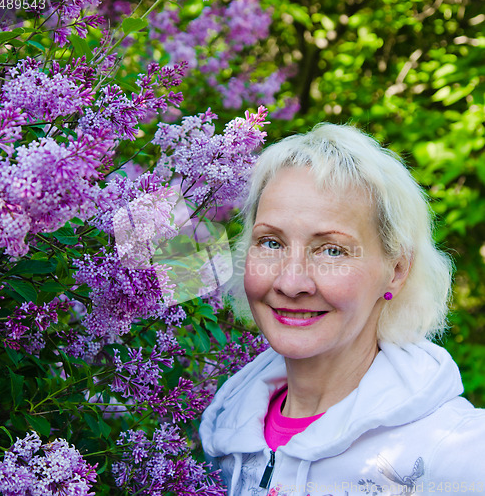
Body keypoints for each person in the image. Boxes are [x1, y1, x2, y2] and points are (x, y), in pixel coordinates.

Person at [199, 123, 485, 496]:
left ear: (396, 271)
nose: (290, 282)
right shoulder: (223, 430)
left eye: (332, 250)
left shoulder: (452, 448)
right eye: (270, 242)